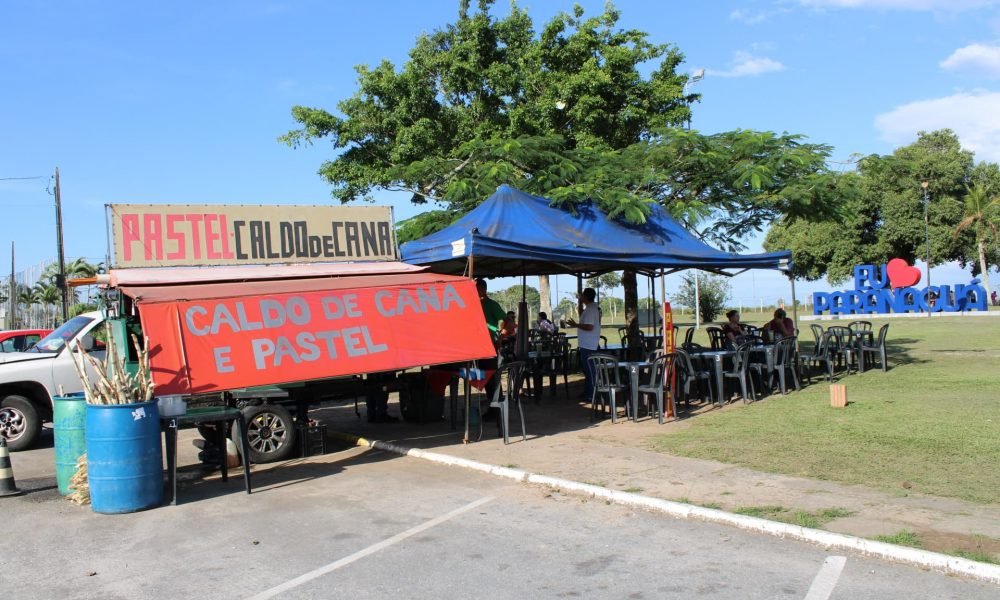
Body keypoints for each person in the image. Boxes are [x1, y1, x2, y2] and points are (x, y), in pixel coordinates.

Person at [476, 278, 505, 418]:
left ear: (483, 289)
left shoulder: (492, 305)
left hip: (490, 347)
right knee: (486, 380)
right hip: (479, 348)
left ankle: (497, 410)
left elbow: (507, 323)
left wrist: (499, 339)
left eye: (477, 289)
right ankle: (493, 409)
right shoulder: (474, 304)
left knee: (492, 379)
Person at [565, 288, 601, 400]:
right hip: (587, 344)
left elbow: (590, 327)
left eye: (581, 296)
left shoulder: (591, 310)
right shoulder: (591, 308)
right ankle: (588, 392)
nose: (580, 298)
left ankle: (591, 394)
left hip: (588, 345)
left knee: (590, 370)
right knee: (588, 370)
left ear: (585, 297)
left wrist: (576, 325)